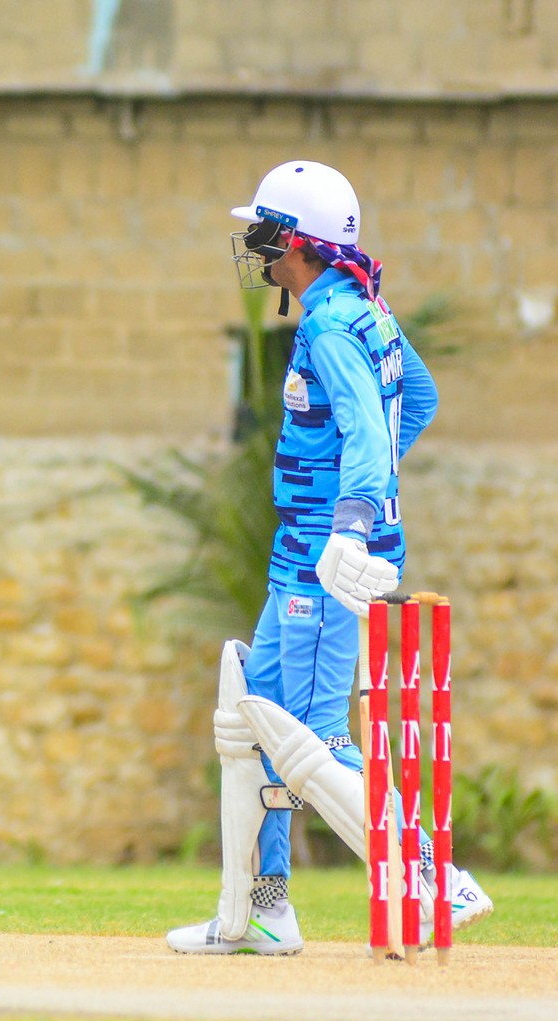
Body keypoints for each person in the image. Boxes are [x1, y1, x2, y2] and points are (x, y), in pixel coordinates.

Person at [166, 161, 492, 955]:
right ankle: (265, 909)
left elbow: (373, 429)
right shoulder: (362, 307)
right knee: (257, 720)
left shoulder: (330, 325)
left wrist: (352, 516)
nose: (255, 245)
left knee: (315, 739)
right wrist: (359, 486)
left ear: (299, 242)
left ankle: (435, 875)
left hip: (324, 555)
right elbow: (418, 400)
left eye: (265, 231)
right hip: (302, 549)